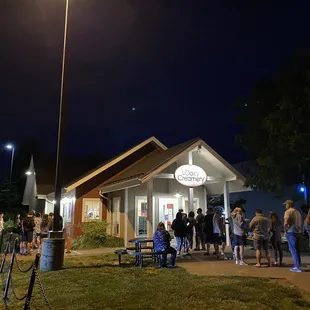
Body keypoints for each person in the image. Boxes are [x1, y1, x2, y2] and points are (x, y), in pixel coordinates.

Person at [283, 200, 303, 273]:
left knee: (293, 250)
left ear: (289, 204)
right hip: (298, 231)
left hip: (291, 231)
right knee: (297, 250)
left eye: (286, 204)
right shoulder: (297, 212)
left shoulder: (288, 211)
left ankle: (297, 267)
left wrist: (285, 230)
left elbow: (286, 221)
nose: (285, 206)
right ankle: (297, 265)